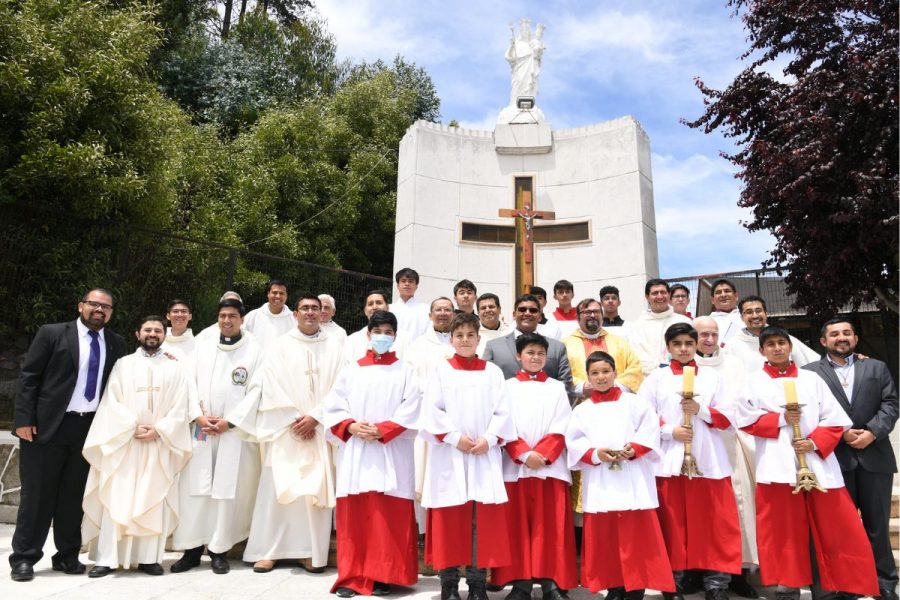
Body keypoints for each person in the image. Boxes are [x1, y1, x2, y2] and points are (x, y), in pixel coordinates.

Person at [735, 326, 878, 600]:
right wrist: (779, 420)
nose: (777, 348)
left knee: (832, 526)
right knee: (783, 531)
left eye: (781, 343)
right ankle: (787, 585)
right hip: (777, 467)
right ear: (761, 351)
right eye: (771, 344)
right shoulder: (752, 382)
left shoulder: (812, 379)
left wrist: (812, 443)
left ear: (790, 347)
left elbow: (834, 419)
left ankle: (829, 585)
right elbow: (743, 419)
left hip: (817, 465)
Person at [9, 288, 127, 582]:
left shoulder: (116, 343)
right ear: (80, 306)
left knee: (73, 496)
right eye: (93, 304)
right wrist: (24, 419)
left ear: (111, 313)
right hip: (47, 427)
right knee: (36, 496)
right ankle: (24, 558)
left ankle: (67, 555)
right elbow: (29, 377)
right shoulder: (52, 333)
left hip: (89, 430)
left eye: (106, 307)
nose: (99, 310)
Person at [231, 294, 343, 573]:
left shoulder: (337, 347)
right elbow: (270, 385)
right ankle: (269, 551)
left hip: (318, 430)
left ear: (322, 313)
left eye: (314, 309)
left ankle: (311, 553)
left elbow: (343, 387)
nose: (309, 313)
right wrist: (295, 419)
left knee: (312, 495)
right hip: (285, 429)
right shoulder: (280, 346)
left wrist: (316, 417)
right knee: (276, 491)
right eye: (304, 308)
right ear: (295, 314)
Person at [81, 316, 192, 577]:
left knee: (153, 498)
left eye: (157, 330)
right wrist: (131, 426)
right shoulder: (123, 365)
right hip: (126, 444)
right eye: (147, 330)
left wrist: (161, 429)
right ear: (137, 334)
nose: (152, 334)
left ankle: (148, 558)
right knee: (117, 498)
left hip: (158, 444)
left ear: (164, 335)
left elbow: (181, 405)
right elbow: (112, 402)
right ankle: (107, 559)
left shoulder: (176, 369)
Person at [638, 323, 742, 600]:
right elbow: (642, 419)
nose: (683, 349)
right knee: (673, 523)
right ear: (668, 348)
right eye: (677, 344)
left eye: (688, 343)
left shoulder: (713, 378)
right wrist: (671, 431)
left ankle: (716, 583)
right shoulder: (654, 380)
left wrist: (702, 410)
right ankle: (674, 581)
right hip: (670, 461)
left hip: (709, 460)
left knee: (715, 524)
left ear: (696, 345)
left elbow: (731, 416)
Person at [323, 310, 422, 598]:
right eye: (377, 331)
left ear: (395, 336)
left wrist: (382, 430)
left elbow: (412, 407)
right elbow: (334, 405)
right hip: (357, 451)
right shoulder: (351, 369)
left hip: (391, 451)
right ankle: (353, 575)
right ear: (368, 335)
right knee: (356, 514)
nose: (382, 336)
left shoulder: (406, 371)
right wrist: (351, 426)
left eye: (388, 332)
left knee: (386, 515)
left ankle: (384, 575)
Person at [420, 312, 515, 600]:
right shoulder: (440, 370)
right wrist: (453, 437)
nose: (464, 340)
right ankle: (448, 584)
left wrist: (489, 438)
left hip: (483, 454)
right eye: (459, 335)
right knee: (450, 519)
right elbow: (431, 411)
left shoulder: (492, 372)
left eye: (470, 335)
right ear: (451, 339)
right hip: (450, 455)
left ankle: (476, 584)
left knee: (480, 520)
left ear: (478, 338)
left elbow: (504, 411)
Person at [565, 351, 674, 600]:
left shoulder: (635, 403)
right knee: (606, 539)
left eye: (605, 371)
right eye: (595, 373)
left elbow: (650, 430)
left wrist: (634, 448)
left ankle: (636, 587)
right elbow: (573, 442)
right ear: (588, 378)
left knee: (636, 537)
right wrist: (595, 453)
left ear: (615, 373)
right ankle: (614, 587)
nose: (601, 377)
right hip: (601, 481)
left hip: (633, 478)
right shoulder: (582, 410)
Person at [802, 318, 898, 600]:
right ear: (823, 341)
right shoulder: (810, 373)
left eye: (846, 333)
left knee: (878, 525)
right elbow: (811, 411)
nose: (841, 338)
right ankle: (847, 584)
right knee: (840, 528)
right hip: (834, 460)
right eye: (834, 334)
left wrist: (873, 432)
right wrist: (841, 432)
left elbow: (891, 403)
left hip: (875, 456)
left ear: (856, 338)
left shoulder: (876, 367)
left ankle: (884, 582)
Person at [170, 299, 264, 575]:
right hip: (201, 427)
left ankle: (219, 550)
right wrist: (198, 415)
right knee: (196, 490)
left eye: (232, 316)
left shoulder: (255, 350)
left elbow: (257, 389)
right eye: (222, 315)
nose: (226, 321)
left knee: (225, 491)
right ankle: (191, 550)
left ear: (242, 319)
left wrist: (230, 421)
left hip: (232, 431)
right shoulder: (203, 346)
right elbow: (188, 383)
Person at [491, 332, 575, 600]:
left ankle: (551, 583)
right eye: (530, 353)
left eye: (540, 353)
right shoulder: (506, 387)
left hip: (550, 467)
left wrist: (544, 454)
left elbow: (563, 424)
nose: (536, 358)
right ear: (519, 356)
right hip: (516, 467)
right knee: (516, 527)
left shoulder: (556, 387)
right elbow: (502, 424)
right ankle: (520, 585)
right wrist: (524, 454)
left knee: (550, 528)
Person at [693, 317, 759, 598]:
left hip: (731, 440)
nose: (709, 339)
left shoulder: (733, 364)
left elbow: (744, 399)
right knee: (700, 514)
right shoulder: (684, 366)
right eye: (703, 334)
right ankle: (697, 571)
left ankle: (738, 574)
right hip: (696, 446)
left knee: (738, 509)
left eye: (713, 333)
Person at [482, 294, 573, 399]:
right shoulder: (493, 347)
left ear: (539, 316)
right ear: (514, 314)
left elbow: (566, 387)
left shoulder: (557, 347)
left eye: (533, 310)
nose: (527, 313)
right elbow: (486, 383)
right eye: (522, 309)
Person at [562, 298, 643, 397]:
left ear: (602, 315)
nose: (593, 315)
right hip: (582, 403)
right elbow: (561, 374)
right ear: (578, 317)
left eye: (596, 312)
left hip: (618, 400)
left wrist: (613, 385)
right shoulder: (564, 345)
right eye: (587, 312)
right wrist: (582, 387)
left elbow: (635, 369)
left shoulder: (619, 342)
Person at [725, 296, 819, 371]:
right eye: (749, 312)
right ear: (742, 317)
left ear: (766, 313)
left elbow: (812, 362)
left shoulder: (783, 338)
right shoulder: (732, 345)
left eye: (758, 311)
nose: (755, 316)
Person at [631, 279, 693, 376]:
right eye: (655, 293)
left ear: (669, 295)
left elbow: (692, 350)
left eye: (663, 292)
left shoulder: (685, 321)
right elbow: (637, 355)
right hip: (648, 379)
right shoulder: (638, 326)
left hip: (681, 376)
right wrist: (659, 373)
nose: (660, 296)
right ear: (647, 297)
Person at [343, 290, 410, 364]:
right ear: (365, 310)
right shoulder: (352, 340)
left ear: (387, 308)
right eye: (370, 304)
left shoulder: (404, 338)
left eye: (379, 302)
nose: (374, 307)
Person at [243, 279, 296, 347]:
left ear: (286, 296)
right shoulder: (253, 316)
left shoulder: (294, 319)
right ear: (268, 294)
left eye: (281, 293)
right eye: (274, 292)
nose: (278, 296)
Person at [390, 267, 431, 342]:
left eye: (411, 281)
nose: (407, 284)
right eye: (403, 281)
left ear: (416, 286)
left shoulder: (426, 309)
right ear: (397, 285)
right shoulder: (389, 309)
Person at [708, 279, 743, 344]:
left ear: (736, 296)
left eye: (727, 291)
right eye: (718, 292)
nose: (723, 295)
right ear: (712, 300)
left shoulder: (747, 317)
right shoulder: (706, 322)